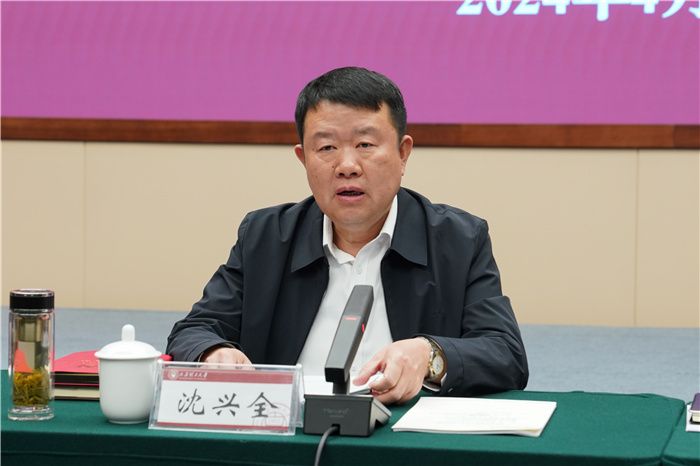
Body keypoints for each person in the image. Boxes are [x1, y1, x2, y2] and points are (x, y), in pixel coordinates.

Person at [166, 66, 528, 405]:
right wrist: (214, 353)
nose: (347, 166)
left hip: (404, 432)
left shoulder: (458, 240)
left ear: (403, 153)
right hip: (291, 431)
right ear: (303, 159)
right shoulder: (265, 238)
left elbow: (506, 354)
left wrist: (429, 353)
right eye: (326, 148)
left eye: (365, 144)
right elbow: (193, 331)